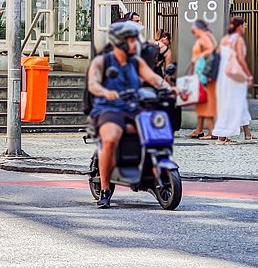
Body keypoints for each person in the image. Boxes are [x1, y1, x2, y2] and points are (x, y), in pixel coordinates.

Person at [87, 21, 174, 209]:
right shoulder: (103, 61)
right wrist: (104, 92)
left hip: (133, 106)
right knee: (110, 138)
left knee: (154, 129)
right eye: (132, 40)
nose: (136, 44)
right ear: (121, 41)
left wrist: (169, 88)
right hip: (109, 108)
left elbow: (153, 78)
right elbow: (93, 83)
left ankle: (149, 171)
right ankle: (104, 189)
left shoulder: (136, 62)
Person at [213, 16, 256, 144]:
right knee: (232, 103)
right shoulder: (238, 40)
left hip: (224, 74)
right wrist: (248, 75)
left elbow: (219, 54)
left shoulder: (225, 39)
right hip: (235, 75)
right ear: (239, 26)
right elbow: (240, 59)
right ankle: (222, 136)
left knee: (230, 102)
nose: (245, 27)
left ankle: (239, 133)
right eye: (244, 25)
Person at [188, 19, 218, 140]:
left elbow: (210, 50)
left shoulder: (205, 37)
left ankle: (212, 131)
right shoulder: (208, 36)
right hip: (203, 74)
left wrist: (198, 57)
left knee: (205, 101)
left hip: (204, 75)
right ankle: (199, 129)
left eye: (194, 29)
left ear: (198, 28)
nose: (193, 32)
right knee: (201, 101)